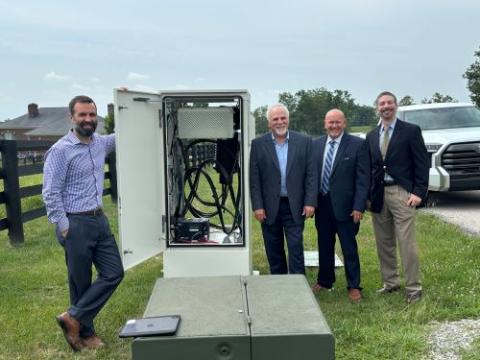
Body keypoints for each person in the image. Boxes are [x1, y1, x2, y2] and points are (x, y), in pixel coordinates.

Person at [42, 95, 124, 351]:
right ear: (72, 118)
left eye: (92, 115)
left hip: (99, 220)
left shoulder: (100, 143)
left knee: (114, 272)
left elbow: (127, 133)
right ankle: (86, 335)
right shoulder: (60, 150)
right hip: (75, 223)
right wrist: (64, 226)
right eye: (82, 115)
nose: (88, 120)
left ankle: (72, 317)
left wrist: (129, 101)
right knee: (80, 281)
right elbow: (50, 192)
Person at [366, 91, 429, 304]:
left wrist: (418, 192)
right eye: (382, 104)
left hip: (402, 192)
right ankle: (390, 283)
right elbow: (370, 168)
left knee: (406, 242)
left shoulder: (410, 131)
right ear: (377, 108)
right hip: (379, 194)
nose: (386, 106)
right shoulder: (371, 135)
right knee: (384, 242)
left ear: (396, 105)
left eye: (389, 103)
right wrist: (368, 195)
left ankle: (413, 289)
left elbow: (422, 163)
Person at [249, 104, 316, 274]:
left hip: (295, 205)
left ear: (288, 119)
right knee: (273, 247)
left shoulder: (304, 142)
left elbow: (311, 175)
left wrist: (310, 202)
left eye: (283, 118)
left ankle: (297, 283)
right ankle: (278, 282)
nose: (280, 122)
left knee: (295, 246)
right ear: (269, 123)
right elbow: (254, 179)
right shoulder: (258, 144)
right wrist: (257, 206)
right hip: (270, 206)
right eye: (275, 119)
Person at [312, 109, 370, 301]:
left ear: (344, 123)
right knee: (324, 245)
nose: (334, 126)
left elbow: (363, 179)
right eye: (330, 122)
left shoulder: (357, 145)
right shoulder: (316, 144)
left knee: (349, 247)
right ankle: (325, 280)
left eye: (337, 122)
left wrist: (359, 206)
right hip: (322, 204)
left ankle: (354, 285)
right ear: (325, 124)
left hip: (347, 207)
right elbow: (311, 176)